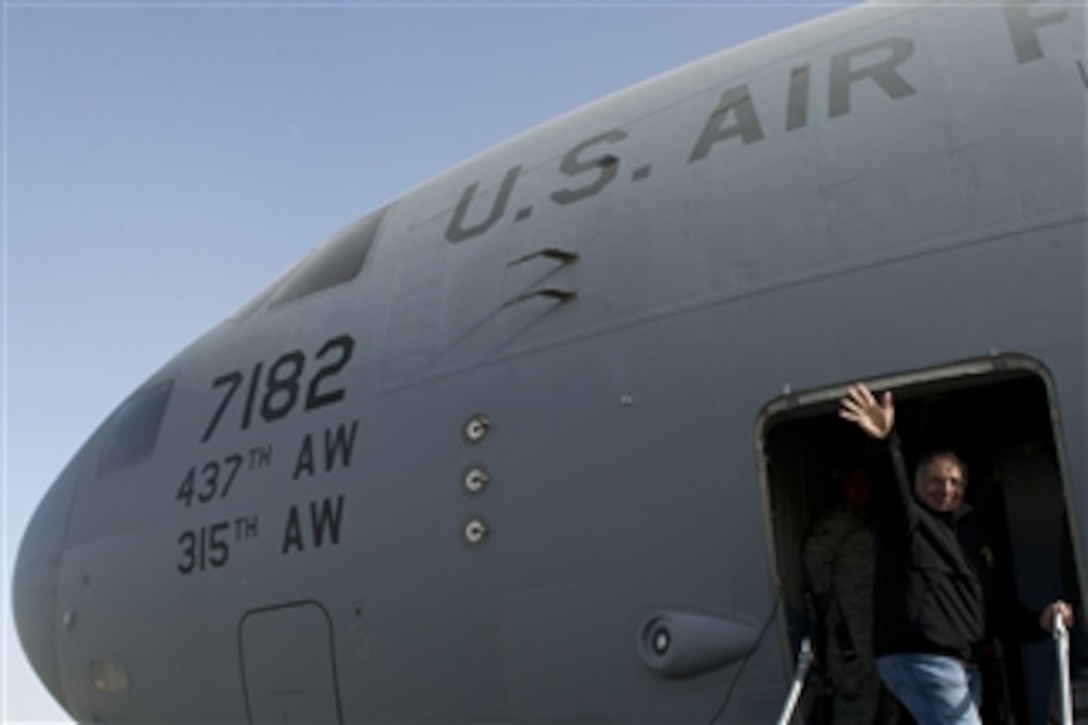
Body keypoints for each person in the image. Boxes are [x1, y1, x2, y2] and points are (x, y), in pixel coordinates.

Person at [838, 382, 1074, 725]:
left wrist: (1038, 621)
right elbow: (892, 495)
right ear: (917, 485)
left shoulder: (972, 540)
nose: (946, 489)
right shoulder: (908, 526)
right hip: (923, 657)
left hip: (963, 666)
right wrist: (884, 443)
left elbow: (993, 610)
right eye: (936, 481)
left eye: (955, 482)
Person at [804, 468, 901, 724]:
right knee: (855, 698)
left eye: (865, 483)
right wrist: (836, 612)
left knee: (889, 702)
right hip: (850, 628)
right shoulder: (833, 527)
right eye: (854, 482)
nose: (861, 488)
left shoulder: (876, 523)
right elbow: (817, 572)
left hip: (882, 626)